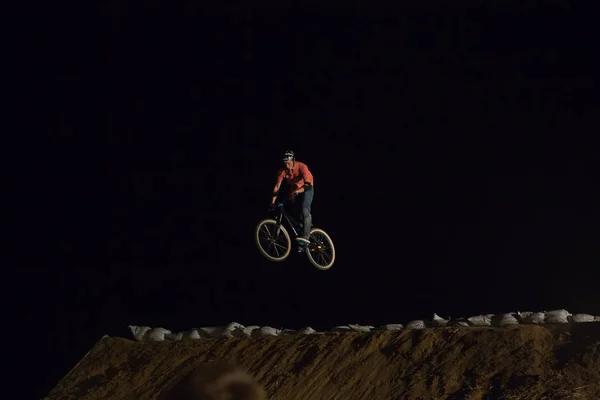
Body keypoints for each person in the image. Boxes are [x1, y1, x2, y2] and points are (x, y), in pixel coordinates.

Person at [269, 150, 314, 244]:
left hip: (306, 188)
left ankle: (306, 235)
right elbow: (277, 187)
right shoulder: (282, 171)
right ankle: (302, 229)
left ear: (293, 160)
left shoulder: (302, 167)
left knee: (304, 208)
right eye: (285, 164)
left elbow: (308, 185)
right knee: (292, 210)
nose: (287, 166)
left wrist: (297, 191)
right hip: (294, 190)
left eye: (288, 163)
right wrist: (272, 202)